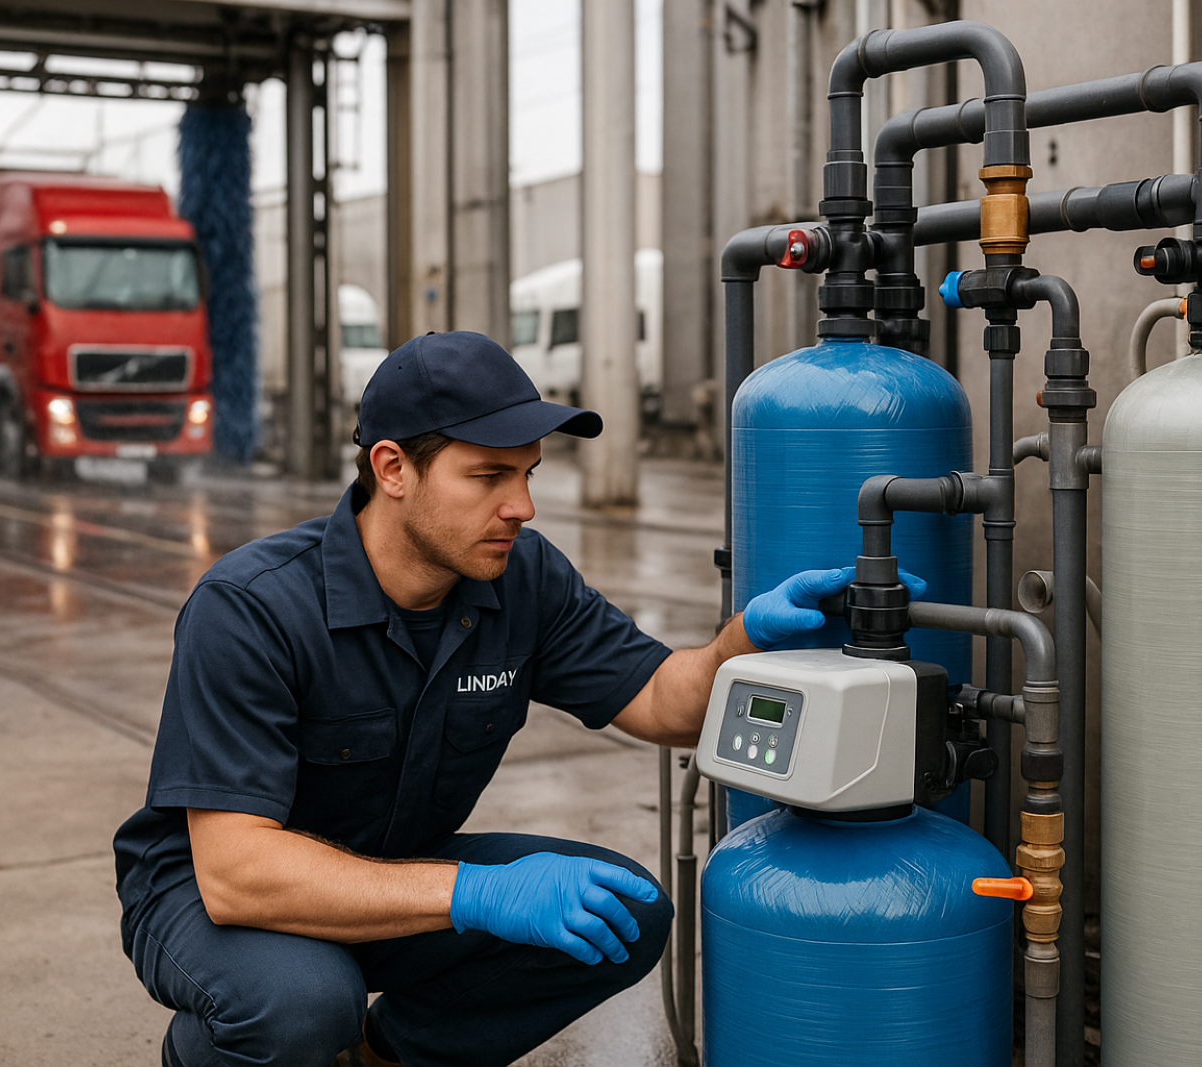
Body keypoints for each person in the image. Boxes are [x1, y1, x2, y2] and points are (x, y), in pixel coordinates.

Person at [112, 331, 862, 1067]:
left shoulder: (521, 579)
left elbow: (662, 700)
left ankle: (385, 1056)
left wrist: (740, 643)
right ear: (393, 467)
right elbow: (238, 871)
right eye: (489, 477)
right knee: (303, 1002)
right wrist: (474, 891)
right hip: (212, 895)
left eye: (528, 474)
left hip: (390, 866)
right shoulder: (253, 608)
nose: (523, 506)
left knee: (621, 911)